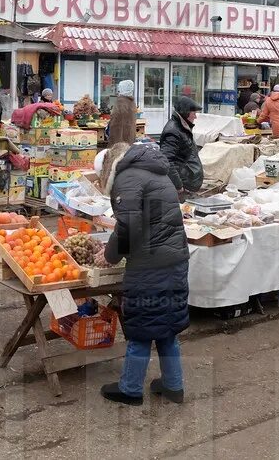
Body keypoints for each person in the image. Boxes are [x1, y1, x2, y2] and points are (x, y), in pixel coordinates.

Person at [96, 142, 189, 405]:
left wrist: (110, 255)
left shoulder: (127, 177)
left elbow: (128, 226)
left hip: (150, 265)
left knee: (141, 327)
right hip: (175, 259)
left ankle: (130, 389)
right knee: (166, 326)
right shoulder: (154, 170)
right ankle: (173, 385)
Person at [159, 96, 204, 197]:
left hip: (187, 185)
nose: (195, 117)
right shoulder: (173, 131)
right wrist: (178, 186)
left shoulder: (183, 128)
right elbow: (166, 161)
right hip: (182, 189)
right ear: (186, 113)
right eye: (194, 113)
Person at [107, 79, 137, 147]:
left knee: (118, 154)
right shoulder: (131, 102)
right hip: (129, 137)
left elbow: (115, 123)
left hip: (119, 139)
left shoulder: (120, 102)